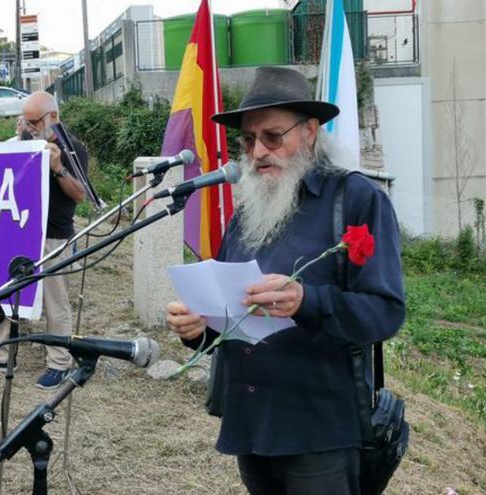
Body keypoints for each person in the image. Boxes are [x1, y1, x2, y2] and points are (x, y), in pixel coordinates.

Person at [165, 67, 405, 495]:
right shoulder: (247, 211)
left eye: (273, 136)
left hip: (319, 430)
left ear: (310, 131)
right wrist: (198, 329)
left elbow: (385, 311)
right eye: (248, 140)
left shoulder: (356, 199)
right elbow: (229, 314)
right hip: (252, 421)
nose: (258, 151)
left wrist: (306, 300)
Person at [0, 91, 87, 391]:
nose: (28, 126)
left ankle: (59, 362)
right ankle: (3, 355)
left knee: (55, 301)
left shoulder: (73, 148)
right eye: (25, 120)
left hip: (54, 236)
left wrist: (57, 168)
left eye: (33, 121)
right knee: (10, 296)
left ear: (53, 117)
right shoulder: (23, 142)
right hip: (19, 233)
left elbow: (81, 195)